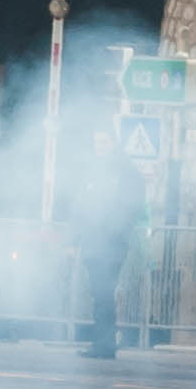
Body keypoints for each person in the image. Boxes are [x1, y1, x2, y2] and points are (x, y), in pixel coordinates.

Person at [70, 128, 148, 359]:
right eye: (97, 142)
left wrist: (111, 230)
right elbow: (80, 207)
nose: (99, 146)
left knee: (104, 293)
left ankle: (104, 344)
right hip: (94, 242)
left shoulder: (127, 173)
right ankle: (102, 343)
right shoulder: (93, 171)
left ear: (114, 143)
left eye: (104, 142)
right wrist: (74, 240)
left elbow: (130, 208)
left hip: (111, 243)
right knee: (99, 293)